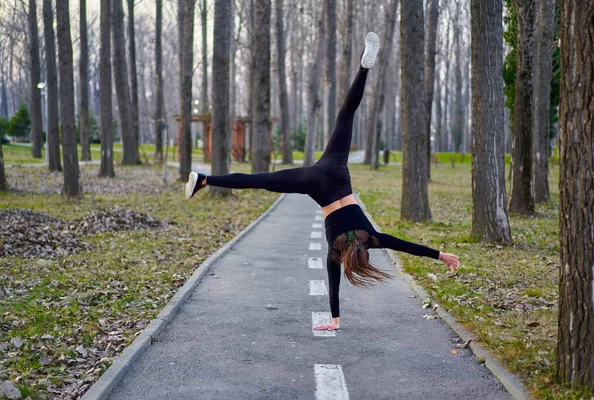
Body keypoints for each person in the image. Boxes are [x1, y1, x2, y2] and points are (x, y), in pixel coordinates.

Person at [185, 32, 460, 331]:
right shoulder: (335, 250)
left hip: (336, 171)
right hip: (316, 184)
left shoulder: (371, 236)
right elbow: (334, 285)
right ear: (347, 259)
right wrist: (335, 320)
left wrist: (440, 255)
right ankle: (203, 179)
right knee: (260, 180)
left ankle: (364, 68)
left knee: (346, 114)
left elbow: (406, 245)